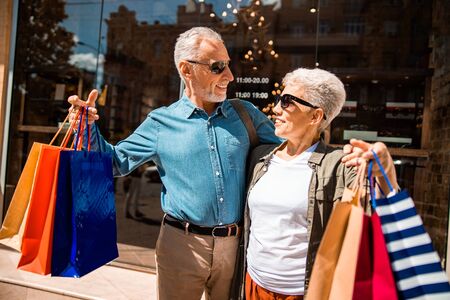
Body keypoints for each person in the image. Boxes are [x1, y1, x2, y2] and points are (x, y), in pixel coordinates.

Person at [67, 27, 281, 300]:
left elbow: (292, 151)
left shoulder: (245, 114)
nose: (229, 76)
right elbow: (114, 163)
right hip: (181, 246)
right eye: (218, 67)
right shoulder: (160, 123)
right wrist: (85, 129)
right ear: (187, 70)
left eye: (228, 65)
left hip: (236, 246)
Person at [230, 68, 399, 300]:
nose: (276, 109)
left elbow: (381, 210)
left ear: (315, 116)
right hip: (253, 285)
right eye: (279, 99)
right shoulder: (260, 157)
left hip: (304, 293)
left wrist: (385, 171)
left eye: (287, 102)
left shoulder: (339, 164)